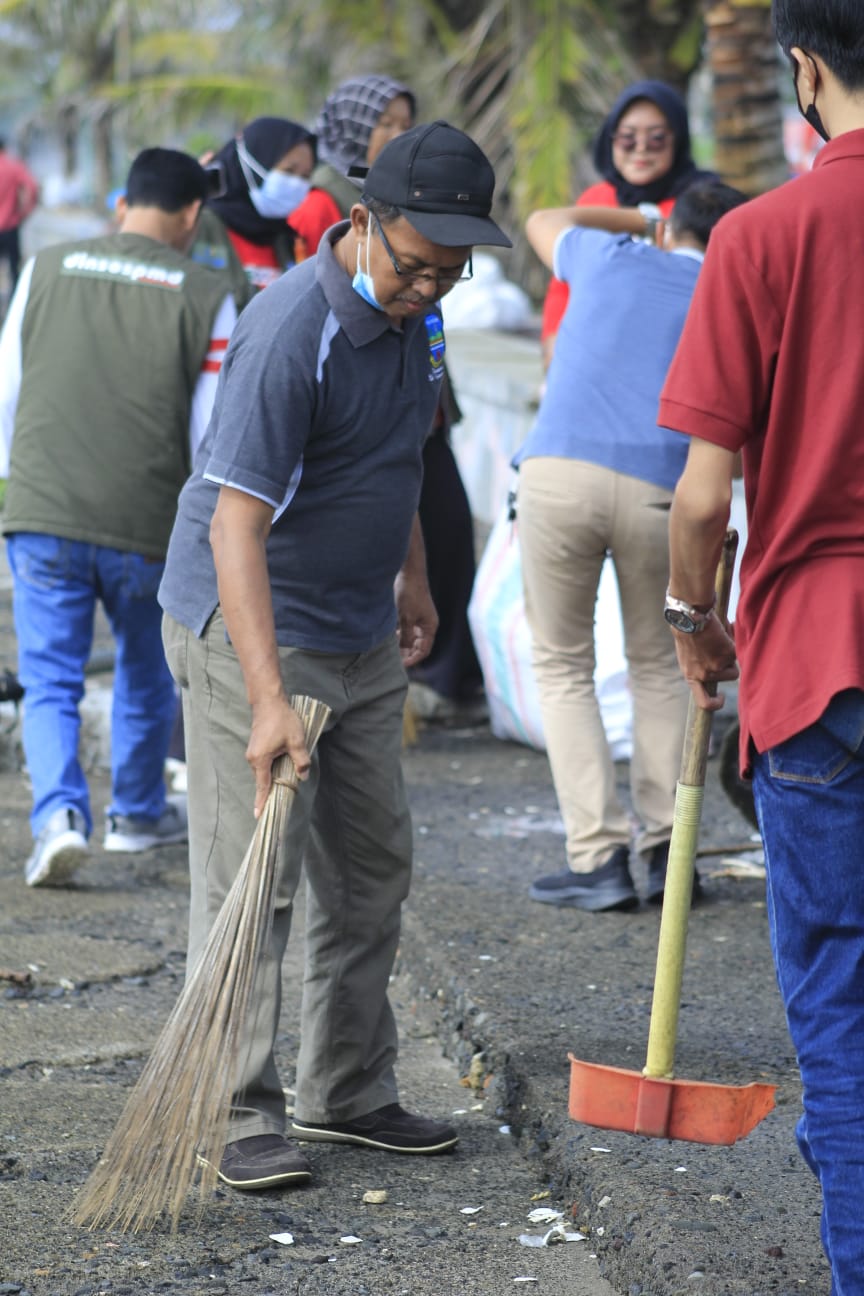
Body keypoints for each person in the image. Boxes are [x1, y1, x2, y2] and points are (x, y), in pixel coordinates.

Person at [158, 120, 511, 1191]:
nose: (428, 289)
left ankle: (347, 1091)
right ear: (361, 223)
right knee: (251, 878)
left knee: (368, 869)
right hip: (250, 630)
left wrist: (410, 575)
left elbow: (399, 451)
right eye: (414, 265)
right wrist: (267, 698)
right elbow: (233, 525)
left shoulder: (423, 320)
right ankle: (233, 1112)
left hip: (358, 630)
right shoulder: (288, 330)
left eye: (450, 273)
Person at [660, 2, 864, 1287]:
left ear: (803, 66)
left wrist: (696, 620)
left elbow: (698, 497)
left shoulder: (765, 233)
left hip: (815, 664)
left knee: (842, 1014)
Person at [0, 148, 237, 888]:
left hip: (43, 509)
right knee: (145, 673)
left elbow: (9, 389)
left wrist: (25, 489)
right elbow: (212, 430)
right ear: (193, 214)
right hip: (149, 521)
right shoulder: (209, 291)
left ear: (124, 200)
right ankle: (135, 815)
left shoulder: (46, 267)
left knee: (48, 678)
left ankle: (58, 819)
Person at [515, 179, 746, 913]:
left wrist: (643, 219)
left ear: (671, 225)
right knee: (661, 665)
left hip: (560, 475)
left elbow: (542, 218)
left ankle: (598, 859)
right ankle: (666, 856)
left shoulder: (609, 253)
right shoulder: (730, 290)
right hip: (664, 489)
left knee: (562, 666)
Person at [540, 81, 716, 368]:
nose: (642, 148)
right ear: (611, 141)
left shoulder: (700, 203)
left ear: (678, 139)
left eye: (657, 137)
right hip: (591, 353)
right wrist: (553, 342)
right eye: (627, 138)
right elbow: (563, 282)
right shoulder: (595, 199)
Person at [189, 117, 315, 305]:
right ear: (250, 163)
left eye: (305, 176)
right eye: (288, 171)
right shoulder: (198, 226)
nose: (296, 184)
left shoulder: (287, 240)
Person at [291, 74, 416, 260]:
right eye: (386, 124)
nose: (399, 136)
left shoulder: (390, 191)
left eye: (406, 127)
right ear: (352, 127)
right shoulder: (319, 202)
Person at [0, 139, 39, 293]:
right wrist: (25, 212)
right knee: (14, 271)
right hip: (11, 225)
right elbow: (32, 188)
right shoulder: (14, 166)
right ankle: (13, 309)